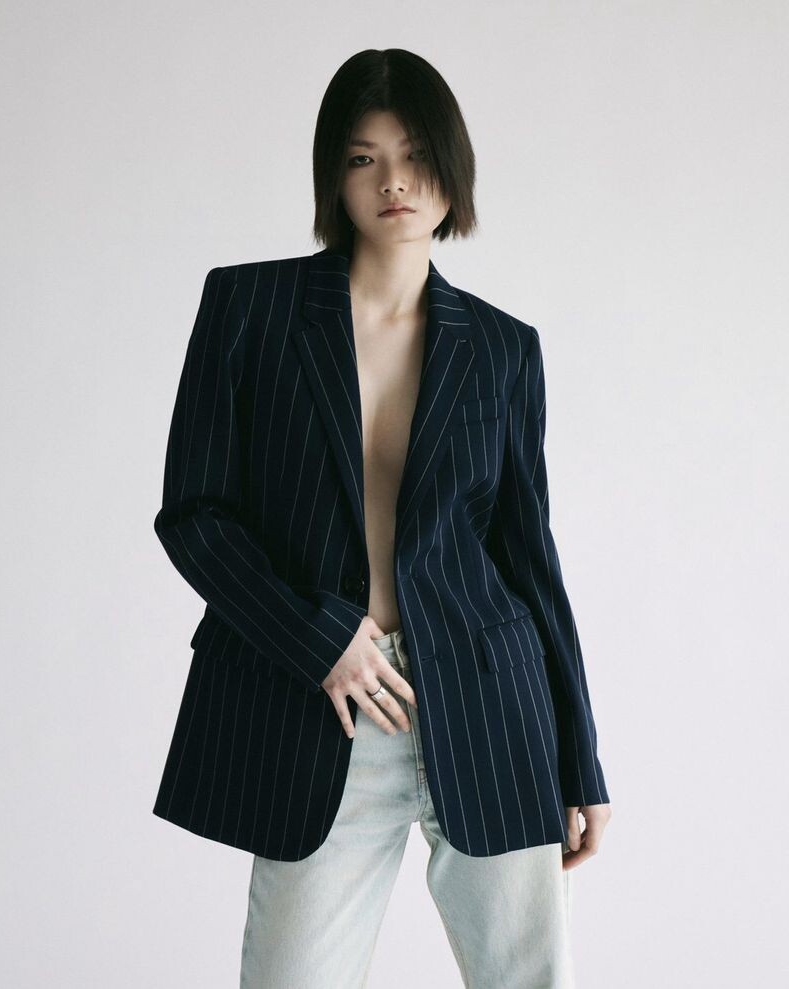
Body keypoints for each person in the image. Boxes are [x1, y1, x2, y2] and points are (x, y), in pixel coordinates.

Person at [152, 48, 612, 989]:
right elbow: (194, 514)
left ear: (452, 168)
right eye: (364, 158)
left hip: (488, 704)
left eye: (415, 155)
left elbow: (529, 558)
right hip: (324, 703)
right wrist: (320, 636)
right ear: (334, 175)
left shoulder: (504, 348)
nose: (394, 181)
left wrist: (581, 757)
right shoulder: (250, 308)